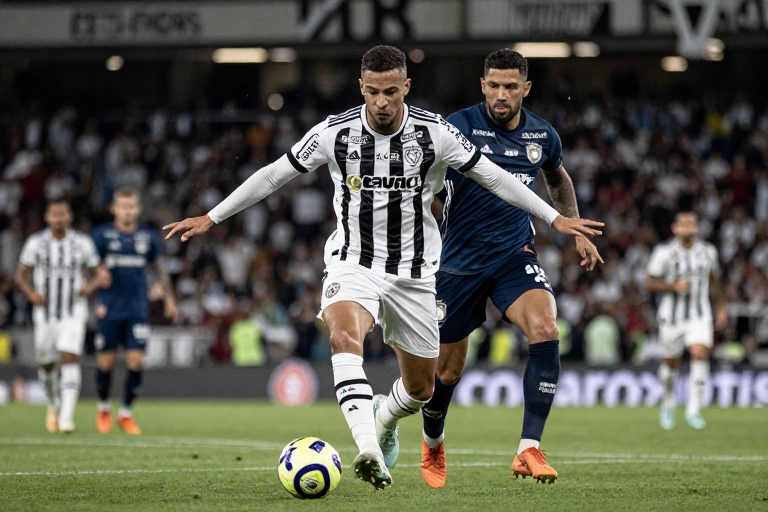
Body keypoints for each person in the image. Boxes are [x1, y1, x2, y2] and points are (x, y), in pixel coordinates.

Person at [163, 45, 603, 491]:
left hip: (416, 274)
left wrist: (554, 217)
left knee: (422, 389)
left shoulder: (436, 133)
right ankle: (368, 447)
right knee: (344, 335)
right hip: (354, 261)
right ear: (361, 87)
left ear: (406, 88)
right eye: (372, 92)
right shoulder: (334, 133)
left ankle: (385, 418)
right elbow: (275, 174)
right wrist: (212, 216)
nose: (381, 102)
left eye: (391, 91)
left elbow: (494, 176)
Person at [418, 49, 604, 488]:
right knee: (445, 373)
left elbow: (557, 179)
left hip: (512, 255)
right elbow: (423, 179)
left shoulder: (542, 134)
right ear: (482, 85)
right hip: (457, 263)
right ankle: (433, 439)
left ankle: (528, 448)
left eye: (511, 87)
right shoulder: (456, 127)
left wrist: (575, 229)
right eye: (494, 86)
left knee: (545, 328)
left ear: (526, 88)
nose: (502, 95)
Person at [91, 187, 178, 435]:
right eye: (123, 206)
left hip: (137, 308)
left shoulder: (147, 237)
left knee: (136, 360)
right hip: (109, 308)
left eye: (131, 206)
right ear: (114, 208)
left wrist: (169, 298)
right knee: (106, 362)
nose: (127, 211)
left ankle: (126, 413)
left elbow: (159, 267)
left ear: (138, 209)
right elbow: (86, 263)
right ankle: (104, 408)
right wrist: (95, 272)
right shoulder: (101, 236)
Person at [15, 200, 101, 433]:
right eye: (54, 214)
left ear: (69, 216)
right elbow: (21, 274)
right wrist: (32, 294)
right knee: (46, 364)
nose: (59, 218)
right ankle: (53, 405)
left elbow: (97, 273)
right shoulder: (36, 243)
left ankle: (66, 417)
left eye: (63, 214)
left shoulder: (82, 243)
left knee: (69, 357)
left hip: (73, 312)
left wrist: (89, 288)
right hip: (45, 314)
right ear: (47, 218)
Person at [645, 211, 726, 430]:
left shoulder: (708, 252)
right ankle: (669, 402)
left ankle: (694, 410)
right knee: (671, 363)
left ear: (697, 227)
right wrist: (673, 286)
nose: (688, 228)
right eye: (683, 224)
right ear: (675, 228)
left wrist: (721, 309)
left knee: (700, 352)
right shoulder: (664, 252)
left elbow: (714, 282)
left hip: (700, 316)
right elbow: (649, 283)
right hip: (671, 317)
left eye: (692, 224)